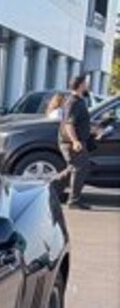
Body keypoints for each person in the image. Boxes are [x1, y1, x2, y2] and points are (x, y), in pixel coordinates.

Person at [58, 74, 94, 210]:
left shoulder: (78, 100)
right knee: (79, 169)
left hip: (75, 141)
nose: (87, 85)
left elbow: (78, 122)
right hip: (70, 142)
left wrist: (93, 129)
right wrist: (75, 141)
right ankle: (73, 201)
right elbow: (69, 124)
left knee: (73, 169)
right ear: (80, 85)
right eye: (86, 83)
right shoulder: (73, 102)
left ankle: (48, 189)